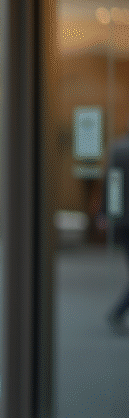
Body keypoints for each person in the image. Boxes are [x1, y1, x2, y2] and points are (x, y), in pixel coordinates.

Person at [101, 124, 129, 336]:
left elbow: (112, 184)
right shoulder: (120, 149)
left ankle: (118, 312)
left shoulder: (118, 148)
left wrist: (108, 213)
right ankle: (118, 312)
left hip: (123, 221)